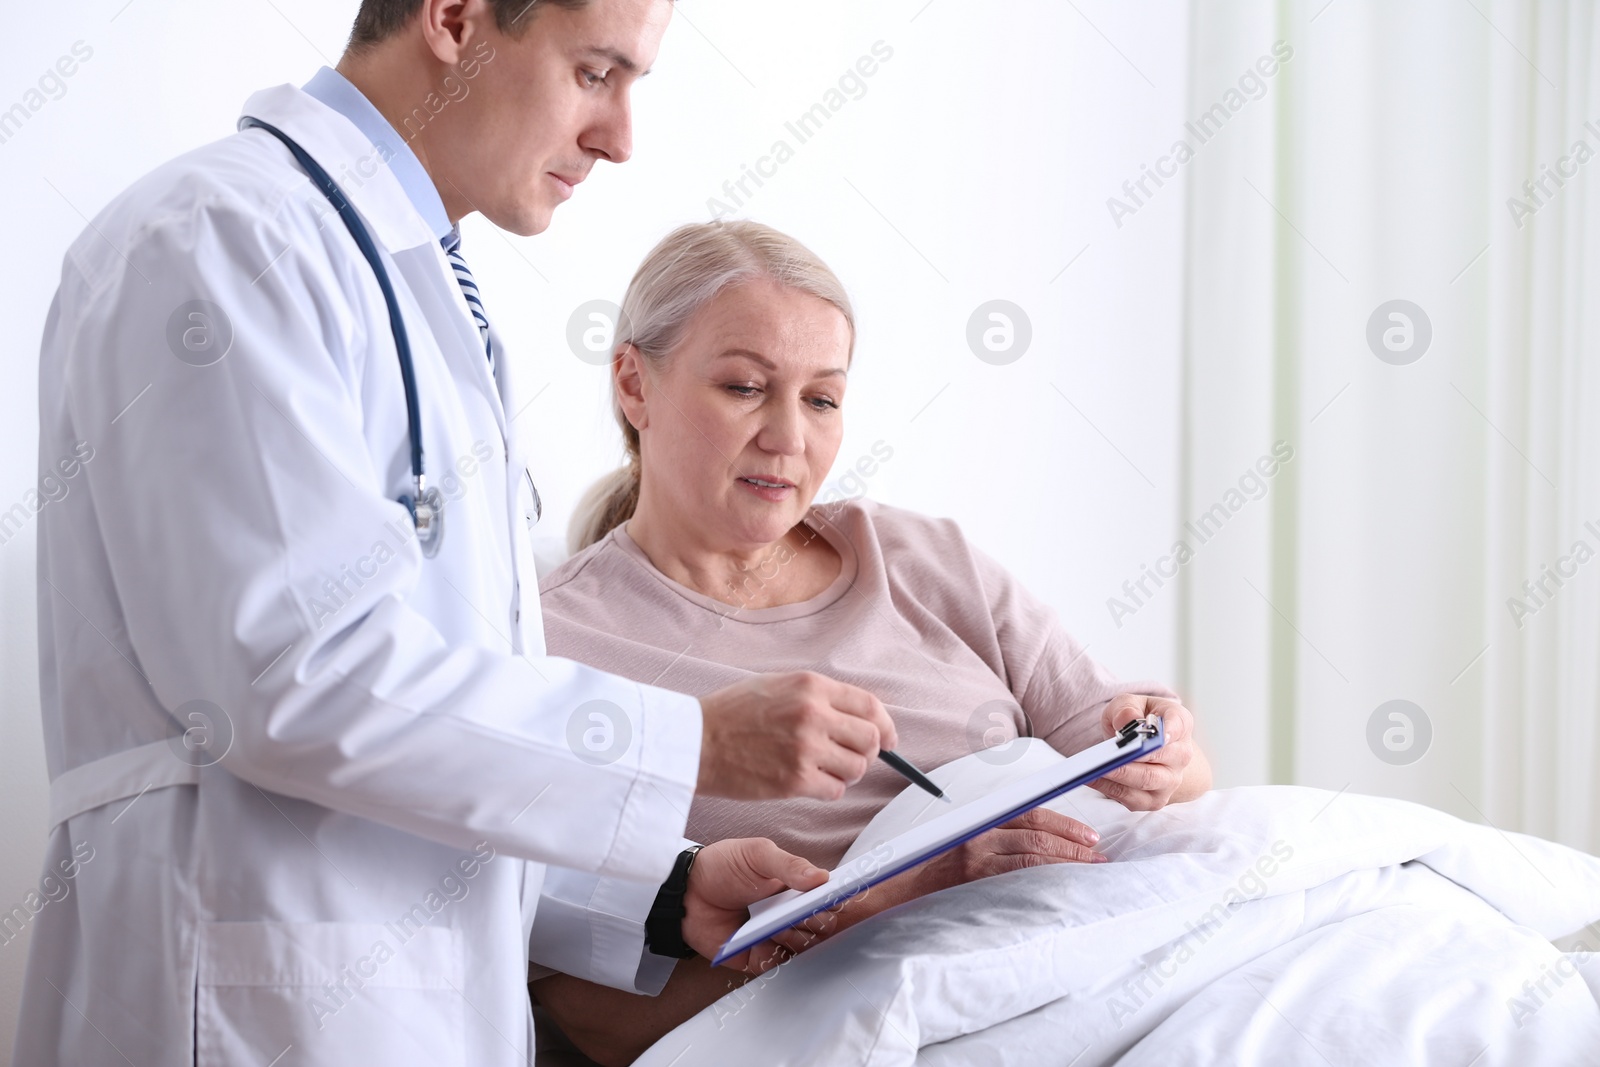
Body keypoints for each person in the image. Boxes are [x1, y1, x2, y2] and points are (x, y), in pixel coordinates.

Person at [14, 4, 900, 1065]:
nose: (619, 135)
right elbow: (293, 682)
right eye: (595, 72)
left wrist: (661, 895)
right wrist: (692, 738)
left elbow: (429, 751)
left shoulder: (412, 282)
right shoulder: (224, 237)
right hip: (249, 1008)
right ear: (454, 18)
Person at [529, 220, 1214, 1064]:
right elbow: (585, 1016)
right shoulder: (551, 641)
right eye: (745, 387)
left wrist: (1159, 744)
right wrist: (891, 901)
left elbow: (1171, 784)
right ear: (635, 384)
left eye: (822, 399)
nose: (789, 437)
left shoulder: (924, 560)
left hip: (1122, 967)